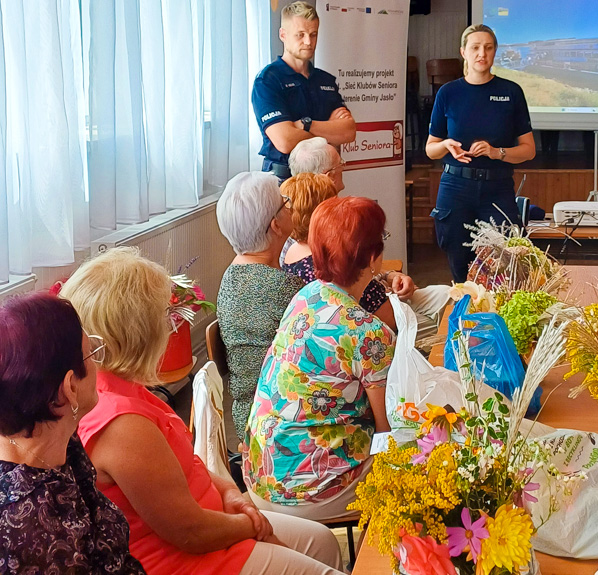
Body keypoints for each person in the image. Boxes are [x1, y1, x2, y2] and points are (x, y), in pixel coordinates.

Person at [62, 248, 345, 575]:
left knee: (322, 541)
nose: (170, 326)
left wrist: (228, 491)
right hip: (187, 561)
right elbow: (189, 533)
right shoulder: (121, 423)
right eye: (166, 317)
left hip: (214, 527)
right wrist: (249, 525)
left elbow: (185, 467)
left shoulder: (119, 384)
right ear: (138, 333)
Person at [244, 196, 394, 521]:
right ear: (372, 256)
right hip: (309, 488)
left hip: (261, 472)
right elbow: (387, 430)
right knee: (419, 460)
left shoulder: (306, 295)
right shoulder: (370, 333)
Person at [0, 292, 145, 574]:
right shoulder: (28, 530)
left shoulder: (51, 433)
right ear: (70, 388)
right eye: (91, 354)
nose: (97, 364)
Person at [285, 139, 451, 336]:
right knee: (447, 322)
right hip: (379, 325)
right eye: (341, 164)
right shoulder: (330, 242)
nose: (344, 167)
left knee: (449, 296)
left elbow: (358, 273)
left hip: (385, 301)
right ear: (328, 177)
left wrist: (389, 276)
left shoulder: (294, 241)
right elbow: (381, 314)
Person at [426, 24, 537, 282]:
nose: (481, 54)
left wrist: (496, 152)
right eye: (475, 48)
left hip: (496, 188)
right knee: (459, 264)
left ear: (495, 52)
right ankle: (465, 316)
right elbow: (430, 149)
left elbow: (529, 150)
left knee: (504, 264)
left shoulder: (511, 92)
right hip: (456, 187)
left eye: (488, 48)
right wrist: (446, 145)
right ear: (463, 52)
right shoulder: (448, 93)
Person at [216, 171, 306, 441]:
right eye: (285, 203)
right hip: (280, 423)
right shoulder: (284, 288)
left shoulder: (230, 276)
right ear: (276, 225)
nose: (291, 207)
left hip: (251, 415)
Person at [252, 1, 356, 181]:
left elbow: (348, 132)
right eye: (300, 35)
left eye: (313, 34)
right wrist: (329, 130)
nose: (308, 42)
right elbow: (284, 141)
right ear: (283, 35)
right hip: (285, 180)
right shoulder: (268, 80)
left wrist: (305, 124)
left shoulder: (325, 80)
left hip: (324, 178)